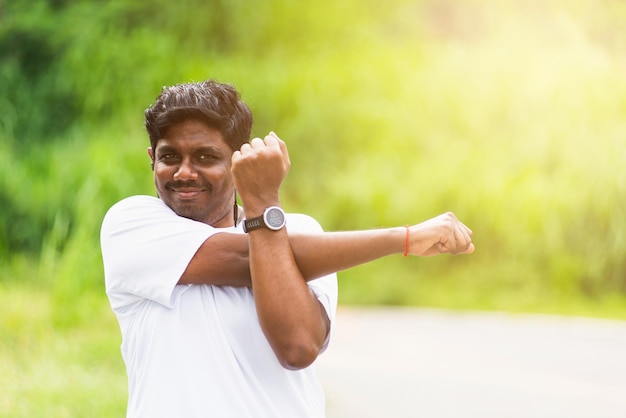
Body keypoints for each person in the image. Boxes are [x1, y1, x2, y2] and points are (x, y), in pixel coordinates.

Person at [100, 79, 474, 418]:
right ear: (152, 159)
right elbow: (248, 256)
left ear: (240, 161)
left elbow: (297, 347)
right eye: (169, 157)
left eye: (205, 157)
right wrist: (404, 238)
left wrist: (262, 205)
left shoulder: (303, 230)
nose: (183, 172)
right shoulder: (131, 225)